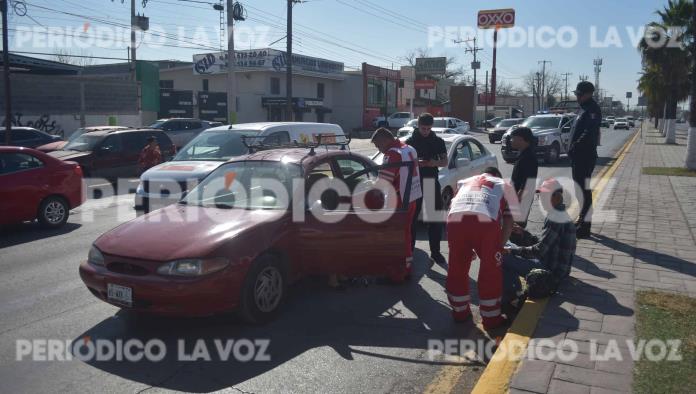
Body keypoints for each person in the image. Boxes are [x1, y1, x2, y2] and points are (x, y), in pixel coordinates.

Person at [445, 167, 515, 329]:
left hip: (454, 222)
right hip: (485, 224)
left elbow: (454, 207)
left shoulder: (464, 182)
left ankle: (460, 313)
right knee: (490, 271)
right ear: (498, 176)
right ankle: (491, 319)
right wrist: (499, 246)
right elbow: (509, 223)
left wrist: (468, 247)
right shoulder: (505, 184)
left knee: (457, 268)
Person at [503, 178, 577, 305]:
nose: (541, 199)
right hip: (556, 266)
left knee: (502, 257)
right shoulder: (559, 213)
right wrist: (523, 233)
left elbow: (539, 251)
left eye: (544, 196)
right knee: (507, 245)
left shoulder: (555, 218)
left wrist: (512, 251)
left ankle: (512, 296)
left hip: (550, 272)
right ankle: (513, 292)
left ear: (556, 196)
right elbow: (546, 243)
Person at [371, 127, 422, 281]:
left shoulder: (392, 153)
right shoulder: (409, 148)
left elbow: (383, 183)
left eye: (378, 146)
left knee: (397, 237)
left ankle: (397, 274)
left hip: (399, 201)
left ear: (384, 140)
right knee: (405, 234)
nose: (379, 150)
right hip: (412, 197)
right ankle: (406, 268)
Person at [406, 113, 448, 266]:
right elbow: (404, 163)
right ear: (418, 125)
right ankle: (409, 251)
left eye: (428, 128)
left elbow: (444, 162)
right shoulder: (410, 142)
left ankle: (435, 253)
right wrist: (417, 163)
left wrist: (431, 163)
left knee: (435, 219)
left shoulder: (437, 141)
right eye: (423, 128)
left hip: (431, 181)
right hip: (414, 183)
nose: (425, 131)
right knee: (411, 220)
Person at [568, 81, 601, 238]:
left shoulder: (593, 110)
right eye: (577, 94)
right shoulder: (584, 109)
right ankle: (582, 219)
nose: (578, 97)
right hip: (578, 155)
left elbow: (588, 132)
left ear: (588, 94)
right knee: (579, 189)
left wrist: (576, 145)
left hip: (585, 155)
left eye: (580, 94)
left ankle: (585, 225)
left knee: (584, 189)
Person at [509, 126, 538, 227]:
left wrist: (518, 197)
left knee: (517, 226)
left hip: (521, 197)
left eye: (513, 138)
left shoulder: (529, 156)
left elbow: (527, 180)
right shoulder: (523, 153)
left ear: (521, 139)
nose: (511, 140)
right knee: (513, 225)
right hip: (517, 195)